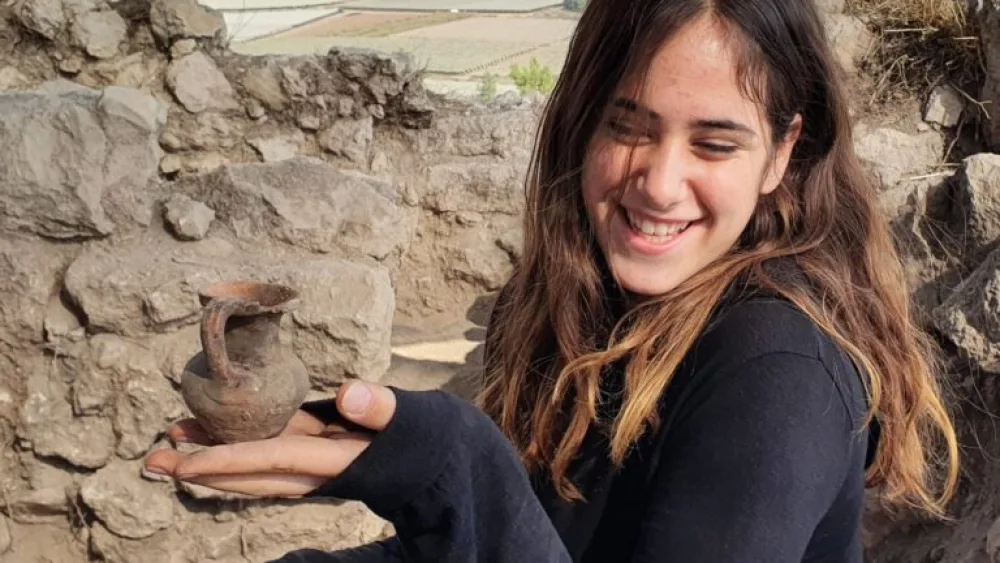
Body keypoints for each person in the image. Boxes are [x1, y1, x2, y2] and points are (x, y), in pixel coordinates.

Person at [144, 0, 961, 561]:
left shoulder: (775, 370)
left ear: (782, 152)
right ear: (582, 121)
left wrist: (456, 468)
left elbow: (487, 514)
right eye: (628, 125)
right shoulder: (593, 308)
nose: (659, 184)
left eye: (715, 144)